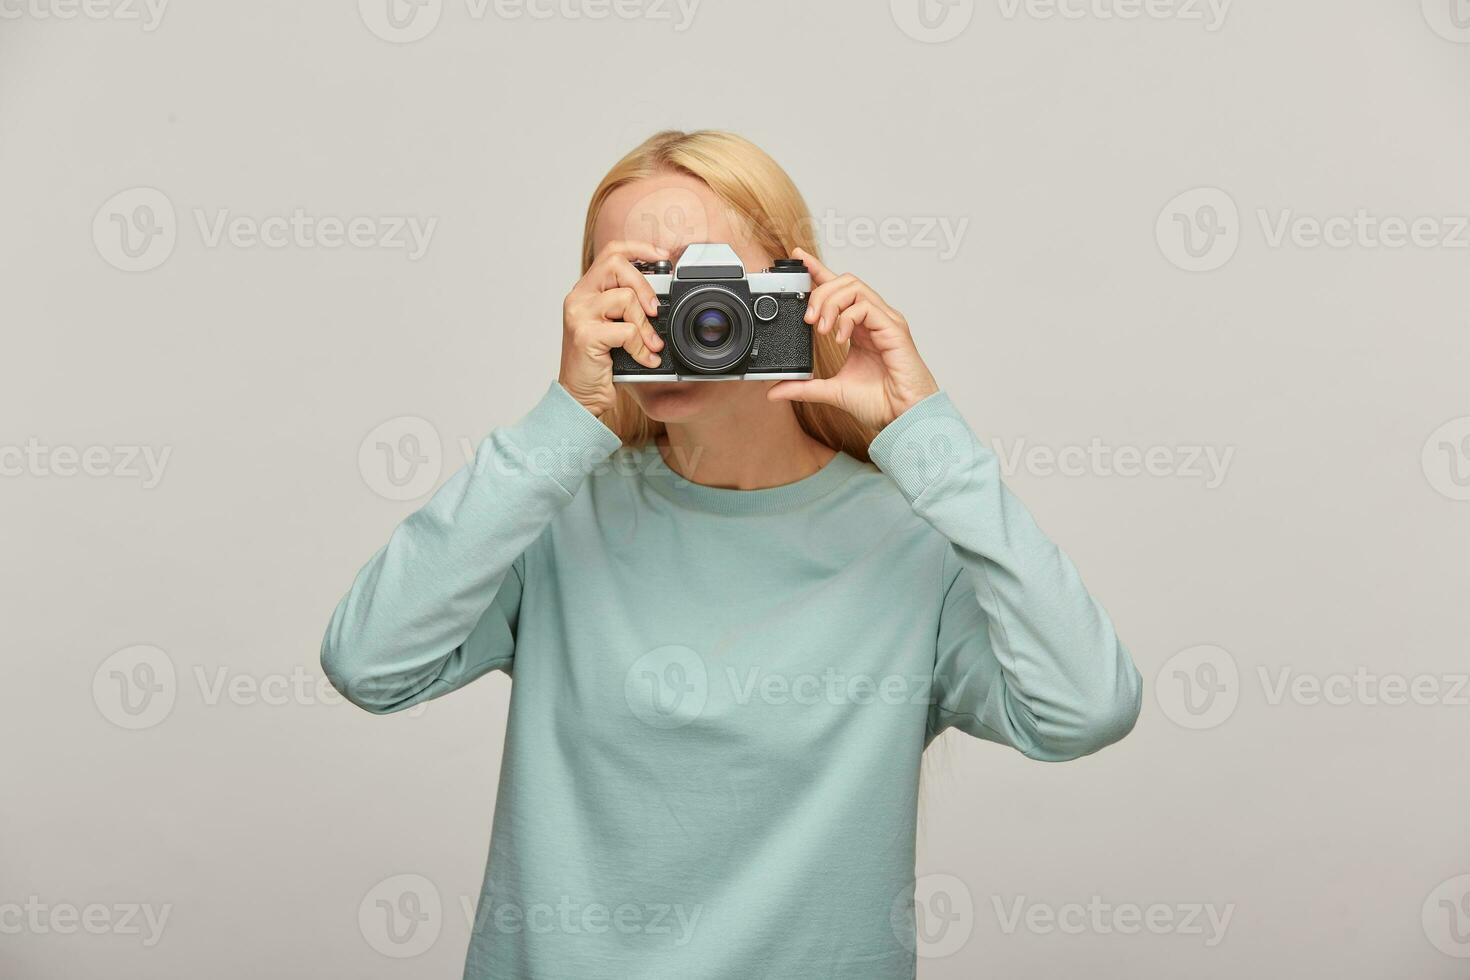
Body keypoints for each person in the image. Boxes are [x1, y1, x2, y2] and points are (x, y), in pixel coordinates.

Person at [321, 129, 1142, 979]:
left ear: (791, 288)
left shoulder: (908, 542)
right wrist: (561, 423)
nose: (677, 313)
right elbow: (369, 665)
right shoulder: (552, 513)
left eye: (701, 282)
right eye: (636, 279)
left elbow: (1085, 709)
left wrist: (926, 437)